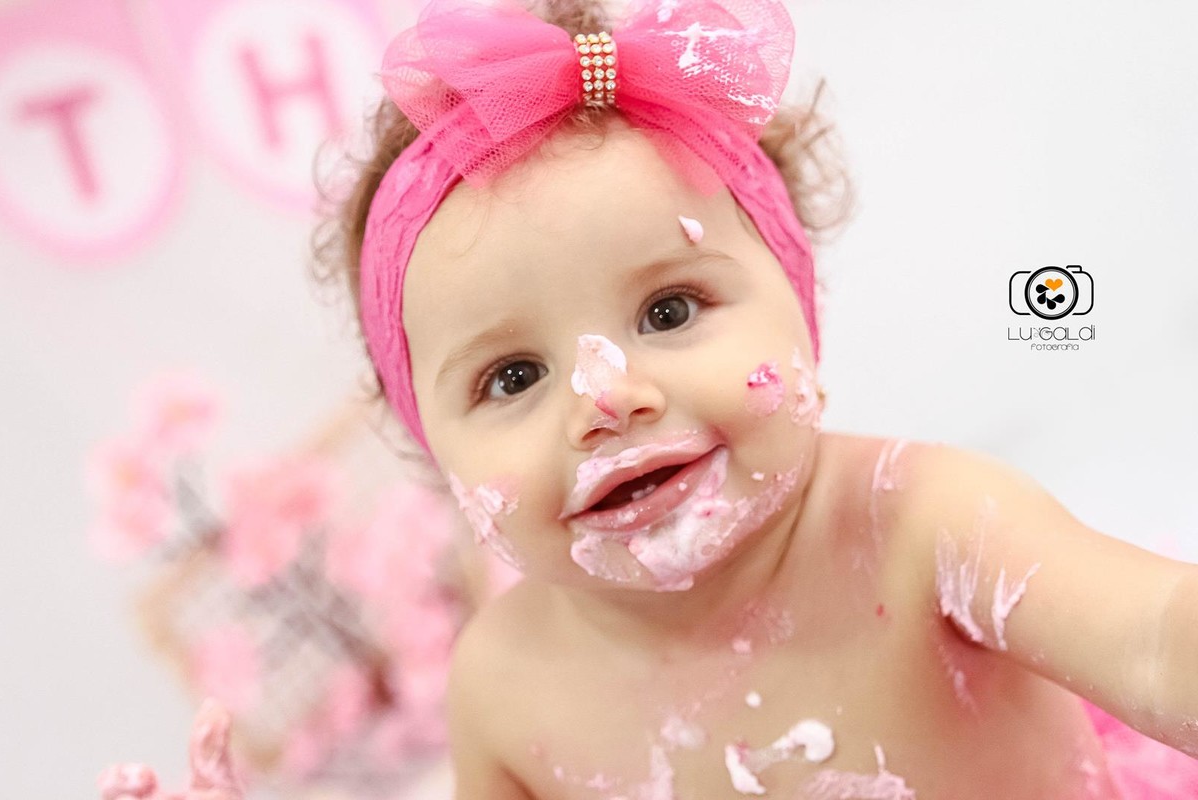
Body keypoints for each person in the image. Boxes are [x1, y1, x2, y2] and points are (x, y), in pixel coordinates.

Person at [308, 0, 1198, 796]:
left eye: (668, 310)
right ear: (431, 444)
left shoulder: (931, 527)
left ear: (798, 306)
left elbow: (1155, 639)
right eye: (513, 377)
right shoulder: (502, 686)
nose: (608, 396)